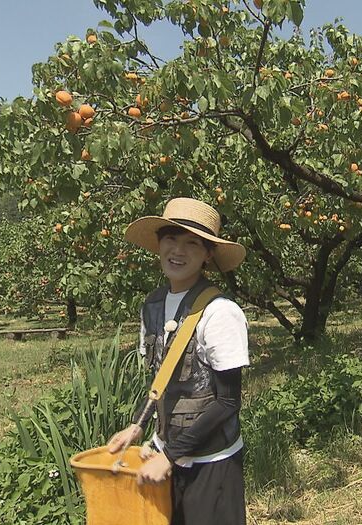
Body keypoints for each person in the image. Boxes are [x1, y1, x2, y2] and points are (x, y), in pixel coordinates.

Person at [107, 197, 249, 525]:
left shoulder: (220, 313)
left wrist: (169, 455)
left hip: (211, 462)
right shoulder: (153, 305)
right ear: (159, 245)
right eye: (171, 239)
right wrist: (138, 425)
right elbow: (160, 378)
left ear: (207, 256)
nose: (178, 251)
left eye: (192, 244)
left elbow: (227, 402)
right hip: (164, 455)